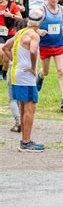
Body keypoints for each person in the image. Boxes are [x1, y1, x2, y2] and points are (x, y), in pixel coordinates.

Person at [2, 9, 44, 152]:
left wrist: (15, 62)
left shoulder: (21, 32)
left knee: (23, 106)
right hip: (26, 76)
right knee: (30, 107)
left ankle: (24, 141)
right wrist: (33, 67)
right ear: (40, 21)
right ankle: (26, 142)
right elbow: (33, 51)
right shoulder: (34, 35)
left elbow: (6, 46)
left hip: (16, 73)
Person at [36, 0, 63, 109]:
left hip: (59, 44)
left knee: (61, 70)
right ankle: (40, 76)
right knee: (45, 71)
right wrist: (39, 30)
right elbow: (32, 25)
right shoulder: (42, 9)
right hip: (45, 45)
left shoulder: (62, 9)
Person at [0, 0, 22, 79]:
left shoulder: (12, 5)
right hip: (0, 33)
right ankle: (0, 71)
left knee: (6, 58)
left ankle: (4, 72)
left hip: (10, 33)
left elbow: (20, 17)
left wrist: (11, 15)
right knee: (1, 52)